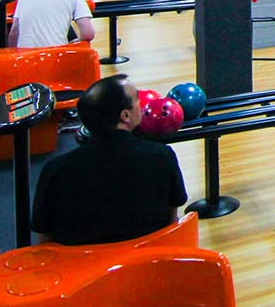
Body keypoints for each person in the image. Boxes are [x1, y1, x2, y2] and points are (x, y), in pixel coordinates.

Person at [31, 75, 187, 245]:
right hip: (148, 264)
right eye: (137, 99)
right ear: (125, 116)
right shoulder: (162, 157)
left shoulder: (55, 170)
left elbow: (45, 239)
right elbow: (171, 221)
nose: (142, 105)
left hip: (85, 268)